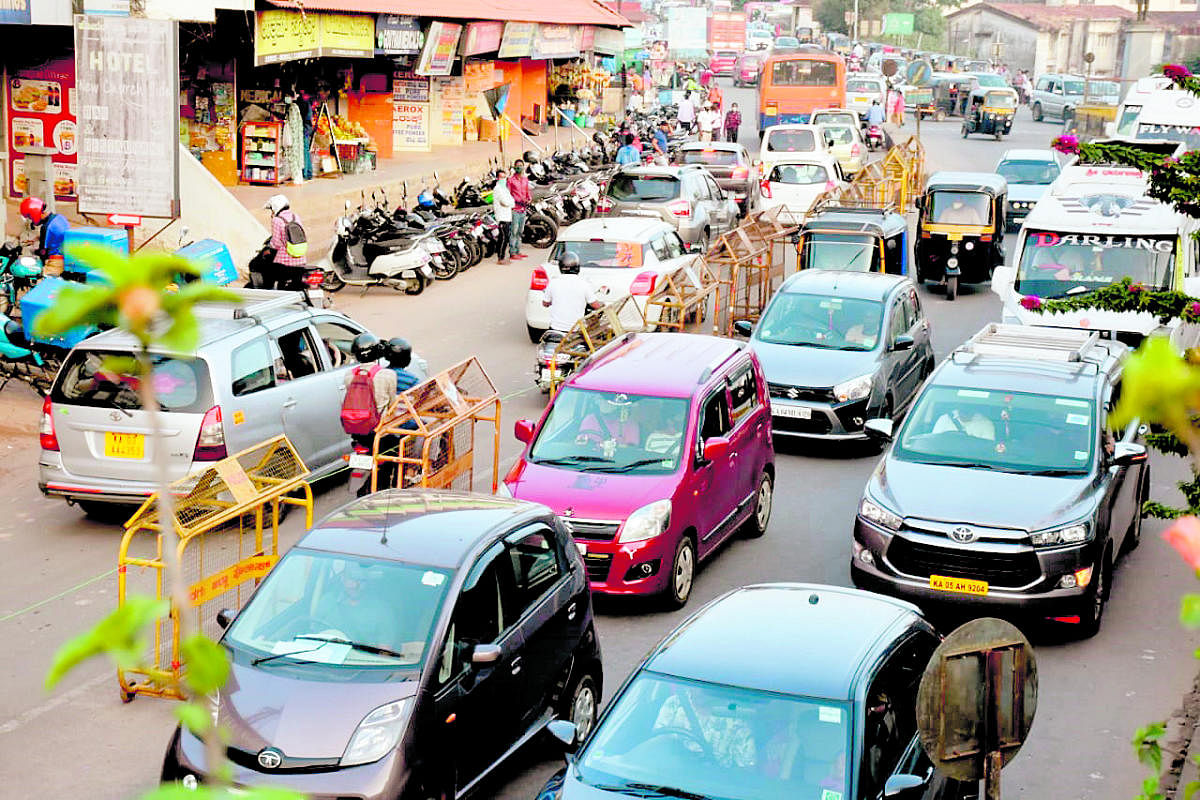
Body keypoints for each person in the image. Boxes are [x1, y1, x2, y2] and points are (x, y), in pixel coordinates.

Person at [345, 333, 399, 497]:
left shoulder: (349, 375)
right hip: (378, 432)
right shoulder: (387, 375)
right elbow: (392, 406)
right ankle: (393, 491)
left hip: (357, 433)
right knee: (397, 451)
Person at [543, 252, 603, 333]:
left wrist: (551, 301)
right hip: (575, 330)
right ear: (577, 267)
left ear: (560, 267)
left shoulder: (553, 282)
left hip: (555, 328)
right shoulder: (584, 283)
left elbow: (545, 303)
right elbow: (596, 305)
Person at [265, 194, 307, 290]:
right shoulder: (295, 216)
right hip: (301, 258)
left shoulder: (277, 220)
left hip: (285, 261)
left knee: (275, 277)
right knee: (297, 283)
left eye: (271, 209)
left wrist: (269, 249)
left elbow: (276, 243)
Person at [19, 196, 69, 264]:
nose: (31, 221)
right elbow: (53, 236)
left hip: (55, 262)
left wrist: (32, 251)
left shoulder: (45, 228)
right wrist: (36, 239)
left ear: (33, 214)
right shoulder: (59, 217)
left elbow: (43, 252)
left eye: (30, 217)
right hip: (67, 256)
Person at [507, 159, 532, 261]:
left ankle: (518, 250)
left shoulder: (525, 179)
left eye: (521, 165)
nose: (519, 167)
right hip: (515, 209)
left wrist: (529, 198)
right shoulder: (511, 180)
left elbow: (527, 191)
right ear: (514, 167)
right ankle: (512, 252)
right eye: (517, 166)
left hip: (523, 209)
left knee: (520, 231)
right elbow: (508, 195)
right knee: (514, 231)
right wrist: (518, 200)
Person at [491, 167, 514, 264]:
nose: (503, 179)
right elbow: (505, 202)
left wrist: (511, 203)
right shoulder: (497, 189)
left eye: (504, 177)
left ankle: (503, 257)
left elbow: (511, 201)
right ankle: (500, 258)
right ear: (497, 178)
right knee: (503, 238)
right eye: (501, 177)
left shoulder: (504, 188)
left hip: (507, 216)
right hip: (501, 217)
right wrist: (510, 203)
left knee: (506, 238)